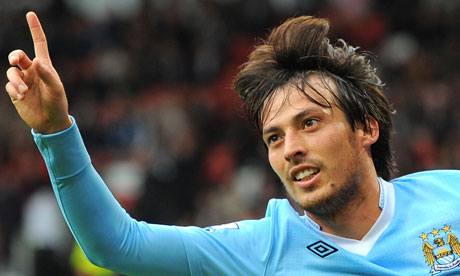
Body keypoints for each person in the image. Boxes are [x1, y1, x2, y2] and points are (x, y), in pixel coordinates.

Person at [5, 11, 460, 276]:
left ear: (365, 129)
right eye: (274, 137)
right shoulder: (262, 248)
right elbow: (116, 245)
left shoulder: (451, 198)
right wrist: (55, 130)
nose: (290, 148)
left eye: (310, 123)